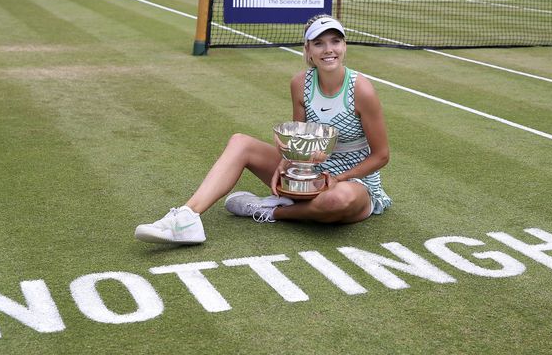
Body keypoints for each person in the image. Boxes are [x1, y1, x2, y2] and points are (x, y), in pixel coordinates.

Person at [135, 15, 392, 244]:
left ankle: (267, 210)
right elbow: (302, 138)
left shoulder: (361, 89)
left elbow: (381, 156)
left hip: (354, 184)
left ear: (344, 46)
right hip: (310, 174)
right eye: (319, 43)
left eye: (335, 41)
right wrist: (286, 158)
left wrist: (337, 178)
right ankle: (187, 217)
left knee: (335, 201)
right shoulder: (300, 83)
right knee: (240, 142)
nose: (329, 50)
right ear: (308, 50)